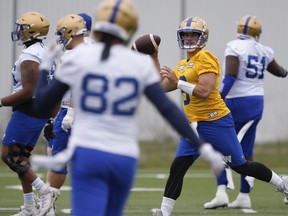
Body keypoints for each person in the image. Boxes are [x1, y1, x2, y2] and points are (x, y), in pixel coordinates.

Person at [31, 0, 225, 215]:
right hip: (124, 156)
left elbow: (41, 107)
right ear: (129, 29)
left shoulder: (78, 58)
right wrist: (203, 147)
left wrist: (45, 67)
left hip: (90, 152)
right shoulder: (138, 63)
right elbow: (167, 109)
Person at [151, 16, 288, 216]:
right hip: (194, 125)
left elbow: (204, 91)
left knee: (241, 166)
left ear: (203, 37)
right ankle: (164, 212)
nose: (188, 38)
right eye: (185, 35)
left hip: (216, 122)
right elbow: (159, 87)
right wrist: (154, 56)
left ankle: (282, 184)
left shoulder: (206, 58)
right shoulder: (182, 65)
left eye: (193, 34)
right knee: (178, 166)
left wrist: (178, 83)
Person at [204, 15, 288, 210]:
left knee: (227, 148)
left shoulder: (235, 46)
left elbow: (231, 76)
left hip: (236, 102)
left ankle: (223, 192)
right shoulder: (264, 50)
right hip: (254, 102)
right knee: (244, 150)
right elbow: (279, 71)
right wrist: (286, 72)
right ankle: (242, 195)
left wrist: (218, 97)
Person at [0, 11, 55, 216]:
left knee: (9, 156)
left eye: (22, 28)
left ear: (32, 30)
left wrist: (1, 101)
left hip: (28, 110)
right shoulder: (43, 51)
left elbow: (28, 90)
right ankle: (30, 207)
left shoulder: (30, 55)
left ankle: (44, 191)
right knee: (21, 158)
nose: (19, 32)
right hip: (38, 110)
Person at [43, 14, 90, 216]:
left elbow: (79, 86)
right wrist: (52, 118)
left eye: (62, 33)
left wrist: (70, 111)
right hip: (73, 111)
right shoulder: (84, 51)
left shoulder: (77, 55)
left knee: (62, 160)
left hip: (76, 112)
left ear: (71, 32)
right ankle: (52, 205)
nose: (60, 38)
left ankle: (49, 206)